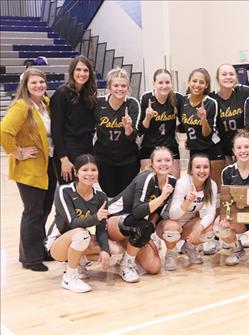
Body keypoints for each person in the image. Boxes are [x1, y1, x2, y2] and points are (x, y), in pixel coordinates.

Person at [1, 68, 57, 271]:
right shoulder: (21, 106)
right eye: (33, 83)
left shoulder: (46, 103)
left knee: (44, 210)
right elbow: (4, 131)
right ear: (25, 85)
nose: (39, 86)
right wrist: (18, 152)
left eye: (41, 82)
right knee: (33, 212)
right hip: (30, 168)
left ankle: (38, 250)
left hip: (47, 164)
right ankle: (30, 259)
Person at [45, 154, 121, 292]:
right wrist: (96, 217)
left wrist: (105, 250)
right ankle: (69, 278)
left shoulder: (100, 197)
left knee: (114, 249)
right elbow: (73, 222)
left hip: (79, 239)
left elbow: (101, 229)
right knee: (82, 234)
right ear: (76, 172)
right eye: (85, 170)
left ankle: (79, 263)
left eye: (93, 170)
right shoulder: (64, 191)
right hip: (57, 243)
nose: (90, 174)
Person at [107, 147, 177, 281]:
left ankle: (127, 248)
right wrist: (162, 197)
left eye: (167, 160)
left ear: (173, 162)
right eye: (159, 160)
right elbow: (138, 211)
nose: (163, 163)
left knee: (154, 267)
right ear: (152, 163)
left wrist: (149, 230)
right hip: (112, 220)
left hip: (133, 224)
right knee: (142, 227)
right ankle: (126, 264)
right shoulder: (147, 177)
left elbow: (157, 211)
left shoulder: (172, 181)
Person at [212, 130, 249, 267]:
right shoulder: (227, 172)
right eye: (239, 147)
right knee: (218, 225)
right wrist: (225, 217)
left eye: (246, 147)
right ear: (233, 151)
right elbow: (226, 201)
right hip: (239, 219)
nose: (243, 151)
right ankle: (236, 248)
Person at [157, 153, 217, 270]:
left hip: (187, 225)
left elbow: (210, 213)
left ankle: (189, 247)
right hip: (168, 224)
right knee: (172, 229)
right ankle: (171, 253)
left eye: (205, 167)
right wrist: (186, 204)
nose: (202, 171)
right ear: (191, 169)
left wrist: (198, 230)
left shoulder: (212, 185)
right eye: (198, 167)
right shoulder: (183, 183)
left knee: (208, 230)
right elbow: (172, 215)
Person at [94, 68, 141, 198]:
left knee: (126, 196)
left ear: (128, 87)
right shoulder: (98, 103)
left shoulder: (132, 104)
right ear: (109, 86)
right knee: (110, 196)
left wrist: (128, 128)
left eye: (123, 86)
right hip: (104, 158)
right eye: (116, 85)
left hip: (128, 158)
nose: (119, 89)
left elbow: (133, 136)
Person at [51, 55, 98, 185]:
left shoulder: (89, 94)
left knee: (84, 190)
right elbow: (56, 130)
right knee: (69, 192)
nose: (82, 74)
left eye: (85, 70)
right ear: (72, 71)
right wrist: (63, 159)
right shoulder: (61, 94)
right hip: (68, 150)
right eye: (78, 70)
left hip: (87, 148)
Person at [179, 68, 224, 188]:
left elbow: (207, 134)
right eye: (194, 81)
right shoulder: (182, 101)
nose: (197, 85)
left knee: (215, 188)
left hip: (212, 149)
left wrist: (203, 119)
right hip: (194, 150)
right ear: (189, 82)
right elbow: (183, 126)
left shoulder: (211, 103)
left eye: (201, 82)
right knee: (197, 187)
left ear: (206, 85)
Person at [139, 69, 183, 177]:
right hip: (149, 146)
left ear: (171, 83)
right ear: (154, 83)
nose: (164, 86)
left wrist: (177, 129)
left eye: (167, 82)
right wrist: (148, 118)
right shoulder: (146, 98)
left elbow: (185, 122)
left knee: (174, 183)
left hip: (170, 145)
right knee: (149, 182)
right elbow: (140, 129)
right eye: (160, 83)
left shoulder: (178, 98)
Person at [210, 63, 249, 165]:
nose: (228, 77)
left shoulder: (244, 92)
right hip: (221, 147)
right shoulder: (211, 98)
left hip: (242, 146)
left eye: (231, 74)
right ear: (217, 78)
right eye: (224, 74)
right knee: (226, 177)